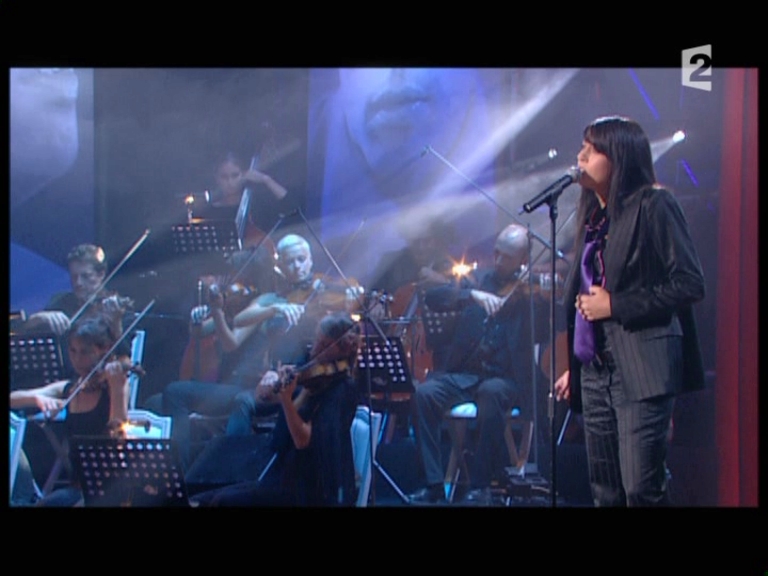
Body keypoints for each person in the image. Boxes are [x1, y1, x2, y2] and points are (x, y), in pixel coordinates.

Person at [553, 116, 706, 507]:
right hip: (595, 373)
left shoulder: (655, 204)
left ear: (619, 157)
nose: (581, 156)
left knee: (640, 488)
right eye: (582, 147)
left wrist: (615, 305)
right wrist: (575, 364)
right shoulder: (593, 220)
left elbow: (689, 284)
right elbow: (584, 300)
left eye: (593, 149)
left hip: (641, 369)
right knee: (606, 491)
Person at [306, 68, 504, 283]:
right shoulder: (386, 265)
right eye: (417, 241)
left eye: (426, 241)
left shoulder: (473, 264)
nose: (397, 72)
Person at [407, 223, 551, 506]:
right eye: (496, 253)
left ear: (523, 259)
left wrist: (541, 301)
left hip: (507, 379)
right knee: (423, 394)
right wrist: (471, 295)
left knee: (491, 392)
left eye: (507, 257)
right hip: (466, 375)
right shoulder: (479, 279)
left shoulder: (531, 294)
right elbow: (434, 298)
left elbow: (544, 333)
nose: (498, 260)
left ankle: (481, 484)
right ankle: (433, 485)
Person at [191, 312, 361, 507]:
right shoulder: (313, 374)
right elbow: (264, 397)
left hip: (314, 490)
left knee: (223, 502)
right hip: (286, 476)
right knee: (200, 499)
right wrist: (272, 384)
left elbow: (303, 440)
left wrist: (286, 399)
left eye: (324, 345)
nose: (315, 350)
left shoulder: (342, 389)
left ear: (342, 351)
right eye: (316, 341)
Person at [224, 233, 364, 436]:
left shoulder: (327, 293)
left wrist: (351, 302)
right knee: (243, 401)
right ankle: (241, 455)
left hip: (315, 381)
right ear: (279, 266)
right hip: (282, 379)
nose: (297, 267)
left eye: (301, 259)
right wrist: (276, 309)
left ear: (310, 260)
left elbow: (347, 333)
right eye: (290, 262)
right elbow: (239, 320)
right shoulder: (277, 299)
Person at [10, 310, 133, 507]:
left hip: (108, 488)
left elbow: (118, 437)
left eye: (84, 352)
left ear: (103, 351)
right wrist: (36, 398)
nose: (77, 360)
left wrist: (117, 387)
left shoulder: (114, 386)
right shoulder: (72, 388)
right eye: (73, 351)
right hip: (77, 487)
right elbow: (12, 399)